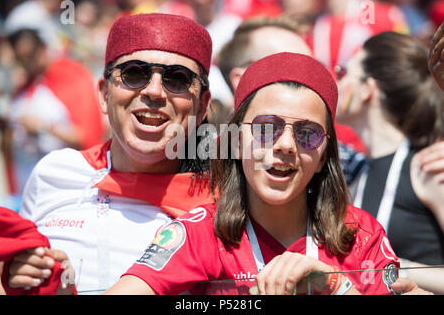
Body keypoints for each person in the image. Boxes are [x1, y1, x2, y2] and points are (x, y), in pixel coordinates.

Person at [105, 52, 410, 295]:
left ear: (323, 158)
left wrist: (333, 284)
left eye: (308, 133)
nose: (286, 145)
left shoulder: (361, 234)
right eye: (267, 128)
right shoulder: (198, 234)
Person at [3, 13, 215, 294]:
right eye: (134, 74)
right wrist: (19, 273)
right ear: (103, 95)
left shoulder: (222, 199)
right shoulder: (53, 173)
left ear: (202, 107)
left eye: (177, 79)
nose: (153, 91)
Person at [336, 31, 444, 294]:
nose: (336, 81)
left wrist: (393, 267)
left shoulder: (429, 166)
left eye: (344, 72)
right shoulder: (357, 172)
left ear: (367, 90)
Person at [216, 15, 368, 185]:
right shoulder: (194, 155)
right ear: (241, 79)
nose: (306, 82)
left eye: (311, 69)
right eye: (286, 68)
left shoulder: (348, 166)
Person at [6, 28, 106, 193]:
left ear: (43, 48)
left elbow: (87, 136)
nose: (27, 64)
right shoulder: (24, 88)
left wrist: (42, 126)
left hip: (66, 183)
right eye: (20, 60)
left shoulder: (72, 77)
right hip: (26, 184)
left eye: (31, 56)